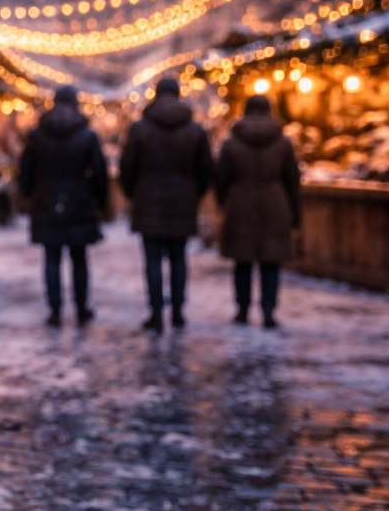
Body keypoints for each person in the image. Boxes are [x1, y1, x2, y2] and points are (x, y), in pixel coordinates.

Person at [119, 77, 212, 330]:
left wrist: (133, 193)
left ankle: (156, 311)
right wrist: (194, 193)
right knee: (179, 258)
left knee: (153, 260)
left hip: (148, 200)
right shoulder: (195, 130)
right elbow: (206, 168)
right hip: (183, 200)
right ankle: (178, 310)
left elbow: (127, 166)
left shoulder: (139, 128)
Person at [18, 85, 108, 326]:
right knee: (79, 258)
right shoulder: (87, 135)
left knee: (51, 258)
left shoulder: (38, 135)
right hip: (79, 200)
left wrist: (32, 195)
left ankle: (55, 309)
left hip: (46, 200)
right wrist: (99, 200)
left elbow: (25, 171)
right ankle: (81, 308)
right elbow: (99, 172)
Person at [213, 94, 300, 327]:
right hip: (275, 206)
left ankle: (242, 310)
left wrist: (225, 204)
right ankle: (269, 311)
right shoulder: (283, 143)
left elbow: (221, 180)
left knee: (242, 262)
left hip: (240, 206)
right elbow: (292, 180)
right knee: (271, 263)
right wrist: (294, 213)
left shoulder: (231, 143)